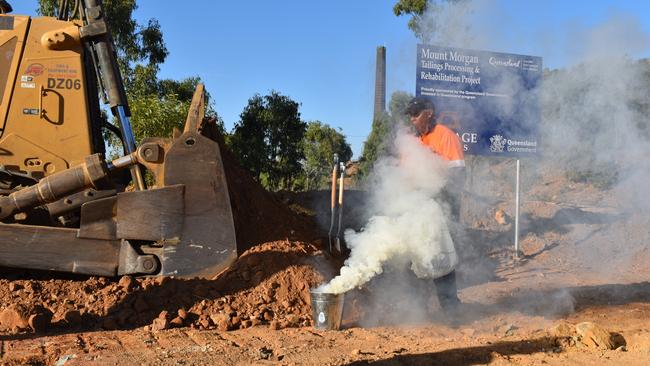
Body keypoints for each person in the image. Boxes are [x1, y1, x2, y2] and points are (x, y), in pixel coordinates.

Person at [405, 96, 466, 313]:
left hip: (442, 206)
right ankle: (416, 309)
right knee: (413, 255)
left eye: (416, 114)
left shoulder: (446, 136)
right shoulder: (412, 142)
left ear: (428, 113)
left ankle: (451, 309)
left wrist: (434, 191)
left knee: (441, 258)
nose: (412, 119)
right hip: (417, 206)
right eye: (410, 116)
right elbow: (404, 175)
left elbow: (458, 175)